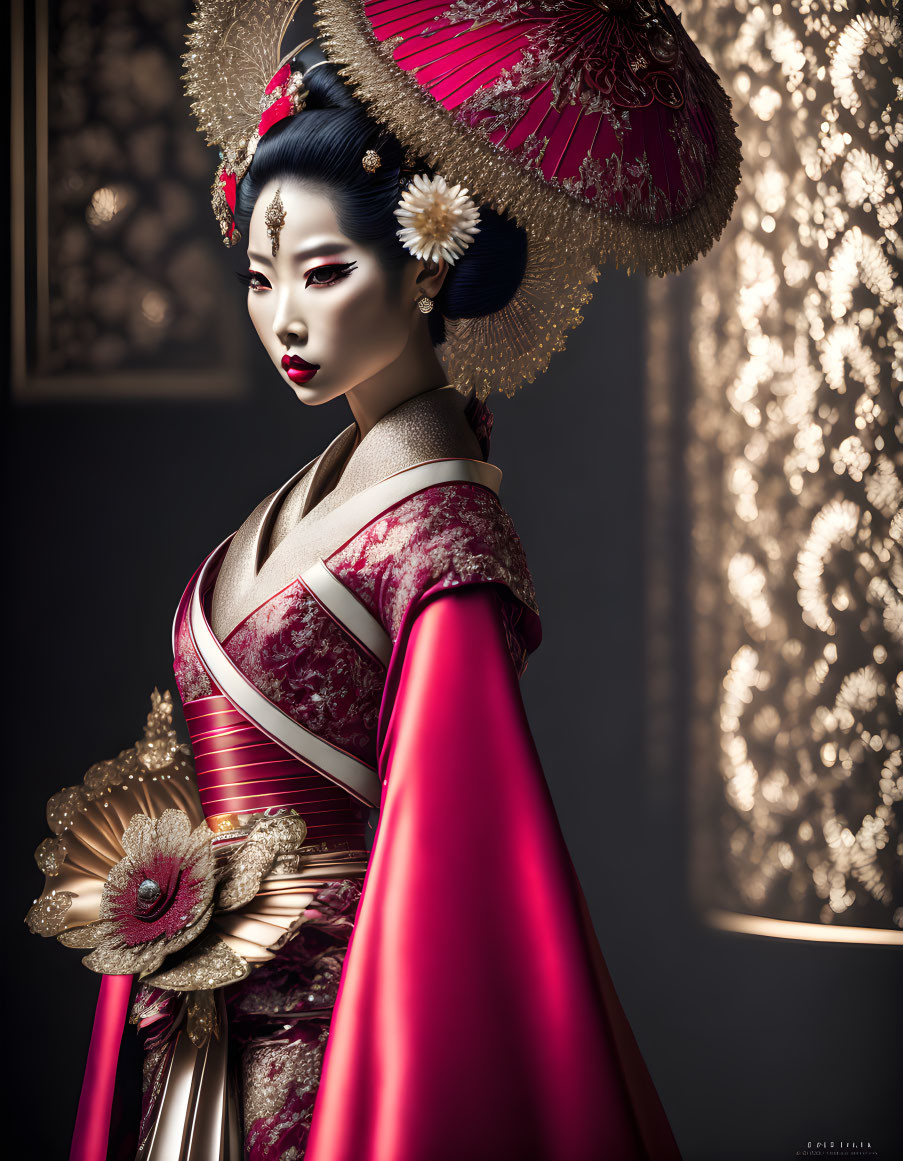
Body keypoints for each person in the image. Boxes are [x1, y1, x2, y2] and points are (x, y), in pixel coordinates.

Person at [26, 2, 741, 1158]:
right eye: (262, 278)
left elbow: (457, 839)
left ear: (423, 266)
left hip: (337, 1057)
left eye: (323, 271)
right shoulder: (335, 485)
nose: (286, 320)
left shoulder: (437, 530)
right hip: (207, 1045)